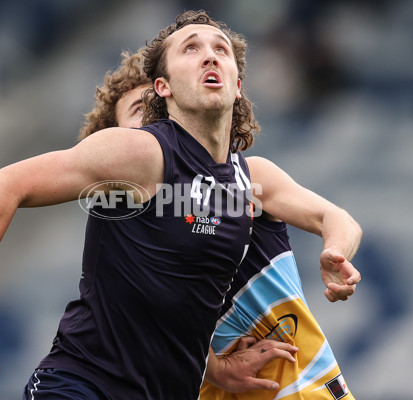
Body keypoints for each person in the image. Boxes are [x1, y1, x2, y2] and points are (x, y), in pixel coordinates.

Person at [0, 10, 299, 400]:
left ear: (238, 85)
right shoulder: (138, 153)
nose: (209, 56)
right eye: (191, 48)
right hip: (82, 386)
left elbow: (176, 301)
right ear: (163, 90)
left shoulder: (232, 185)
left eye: (219, 48)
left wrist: (215, 367)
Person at [80, 48, 362, 399]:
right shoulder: (121, 241)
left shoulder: (247, 178)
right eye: (139, 112)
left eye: (158, 109)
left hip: (303, 389)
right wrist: (213, 365)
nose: (153, 122)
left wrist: (335, 251)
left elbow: (335, 217)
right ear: (111, 139)